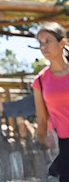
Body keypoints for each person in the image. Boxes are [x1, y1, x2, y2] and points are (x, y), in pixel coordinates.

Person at [32, 21, 69, 181]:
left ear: (62, 42)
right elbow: (41, 118)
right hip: (63, 144)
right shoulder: (40, 80)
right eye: (40, 43)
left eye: (48, 41)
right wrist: (42, 140)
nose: (43, 47)